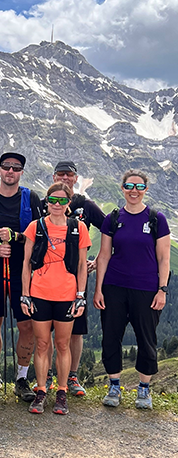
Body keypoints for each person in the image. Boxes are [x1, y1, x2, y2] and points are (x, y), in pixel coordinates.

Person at [94, 170, 170, 410]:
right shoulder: (113, 218)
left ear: (146, 189)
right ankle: (114, 386)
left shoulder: (157, 219)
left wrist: (162, 290)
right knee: (111, 337)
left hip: (146, 289)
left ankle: (144, 389)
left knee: (146, 339)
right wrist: (98, 290)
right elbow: (103, 256)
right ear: (122, 188)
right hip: (114, 286)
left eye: (139, 186)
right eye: (129, 186)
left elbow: (164, 259)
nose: (133, 191)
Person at [0, 152, 42, 401]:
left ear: (21, 172)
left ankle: (22, 379)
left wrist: (17, 237)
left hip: (23, 270)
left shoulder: (31, 198)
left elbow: (39, 235)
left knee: (26, 324)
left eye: (16, 167)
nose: (11, 171)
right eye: (6, 167)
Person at [21, 182, 91, 415]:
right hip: (39, 293)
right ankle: (41, 390)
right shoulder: (35, 226)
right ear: (47, 201)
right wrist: (25, 294)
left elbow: (82, 265)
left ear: (68, 203)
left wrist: (80, 296)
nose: (57, 204)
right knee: (42, 344)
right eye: (53, 200)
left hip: (67, 295)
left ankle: (61, 391)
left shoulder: (78, 228)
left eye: (62, 200)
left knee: (62, 344)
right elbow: (26, 263)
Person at [39, 161, 105, 396]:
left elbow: (111, 230)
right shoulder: (44, 203)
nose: (65, 178)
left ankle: (72, 376)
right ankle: (46, 375)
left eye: (69, 174)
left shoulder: (86, 205)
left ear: (76, 178)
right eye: (60, 174)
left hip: (76, 280)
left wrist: (98, 260)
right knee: (45, 332)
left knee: (76, 331)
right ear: (53, 176)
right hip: (45, 279)